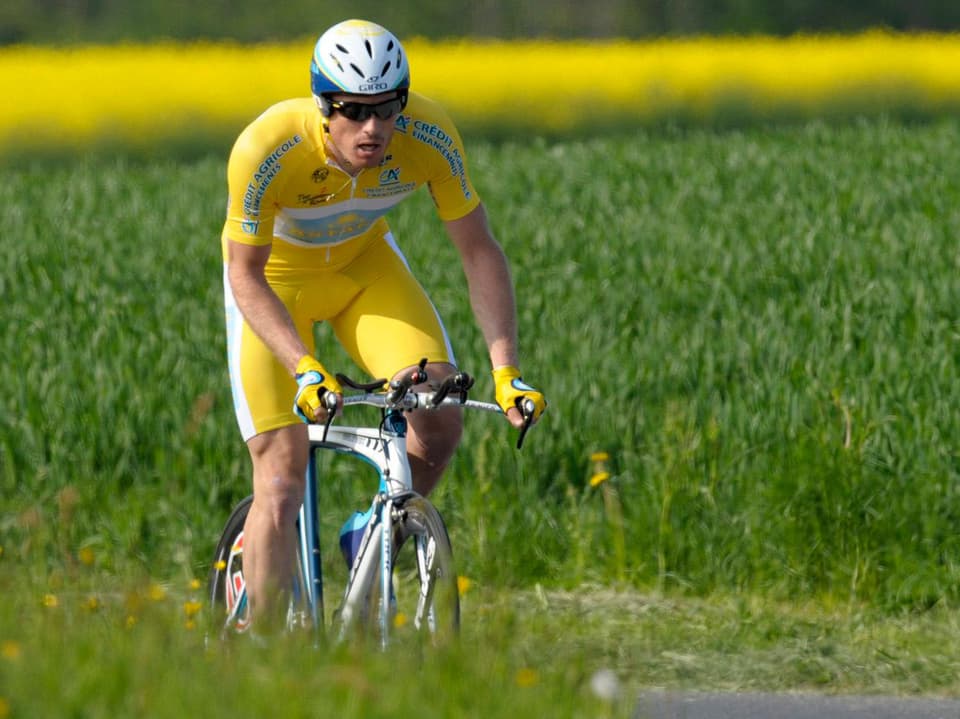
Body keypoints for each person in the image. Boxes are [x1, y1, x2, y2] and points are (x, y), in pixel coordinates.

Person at [219, 19, 547, 632]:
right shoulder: (267, 147)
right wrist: (304, 366)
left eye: (387, 108)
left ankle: (372, 533)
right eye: (353, 111)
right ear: (323, 104)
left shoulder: (428, 133)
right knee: (283, 478)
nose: (372, 129)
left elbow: (479, 250)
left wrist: (507, 373)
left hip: (362, 272)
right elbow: (244, 273)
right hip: (274, 286)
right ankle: (259, 658)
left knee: (441, 416)